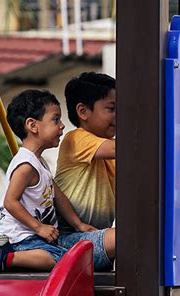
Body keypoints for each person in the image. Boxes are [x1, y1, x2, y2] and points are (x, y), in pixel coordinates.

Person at [0, 89, 114, 273]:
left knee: (65, 257)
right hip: (18, 239)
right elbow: (10, 202)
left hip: (35, 238)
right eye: (55, 119)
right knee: (60, 261)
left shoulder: (39, 163)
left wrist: (79, 225)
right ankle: (1, 258)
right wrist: (39, 227)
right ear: (32, 125)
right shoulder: (25, 166)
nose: (61, 126)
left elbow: (58, 197)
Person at [54, 72, 116, 263]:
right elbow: (127, 147)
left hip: (95, 237)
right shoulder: (75, 139)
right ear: (83, 111)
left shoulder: (110, 152)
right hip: (68, 239)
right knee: (130, 237)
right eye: (112, 109)